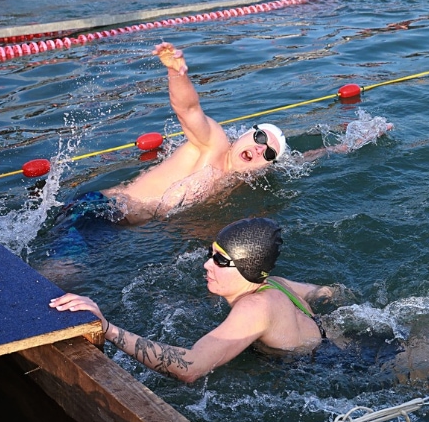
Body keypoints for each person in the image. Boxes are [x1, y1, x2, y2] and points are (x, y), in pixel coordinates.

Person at [86, 42, 388, 225]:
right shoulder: (213, 143)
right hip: (99, 212)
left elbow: (300, 159)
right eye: (259, 139)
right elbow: (188, 111)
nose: (259, 150)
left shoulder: (241, 177)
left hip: (125, 227)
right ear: (245, 134)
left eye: (268, 154)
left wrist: (349, 145)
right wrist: (177, 72)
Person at [50, 218, 332, 383]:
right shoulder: (276, 283)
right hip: (336, 342)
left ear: (248, 267)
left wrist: (108, 328)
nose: (207, 265)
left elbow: (192, 367)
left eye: (221, 260)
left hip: (327, 369)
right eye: (211, 253)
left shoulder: (255, 307)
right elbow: (328, 292)